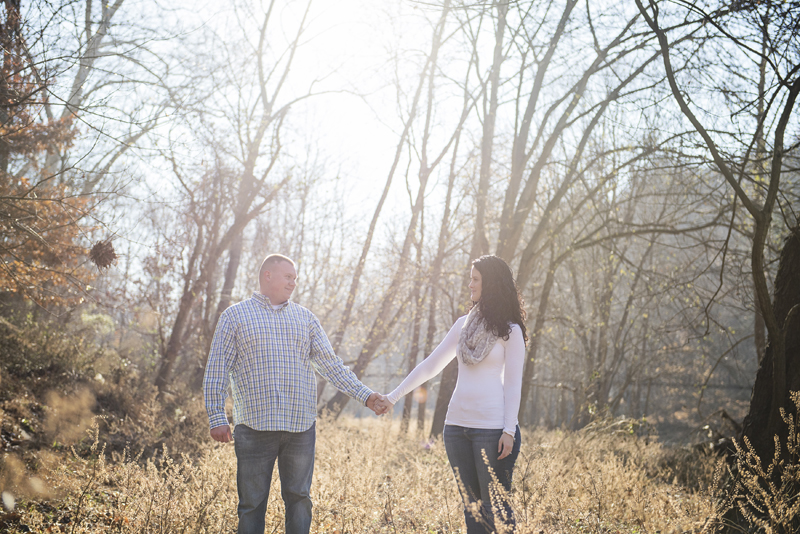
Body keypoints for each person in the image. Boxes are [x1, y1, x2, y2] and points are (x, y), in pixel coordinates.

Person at [203, 253, 387, 534]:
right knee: (251, 504)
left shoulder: (305, 319)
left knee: (300, 500)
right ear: (268, 275)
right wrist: (217, 416)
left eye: (295, 278)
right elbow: (217, 368)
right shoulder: (235, 317)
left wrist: (366, 395)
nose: (293, 283)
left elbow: (331, 365)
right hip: (254, 427)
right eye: (288, 277)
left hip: (300, 428)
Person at [375, 255, 527, 534]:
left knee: (497, 512)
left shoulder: (510, 331)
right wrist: (393, 396)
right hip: (455, 429)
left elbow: (513, 384)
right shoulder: (463, 325)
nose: (470, 284)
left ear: (490, 283)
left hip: (492, 430)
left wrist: (509, 430)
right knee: (472, 511)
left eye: (475, 279)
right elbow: (430, 365)